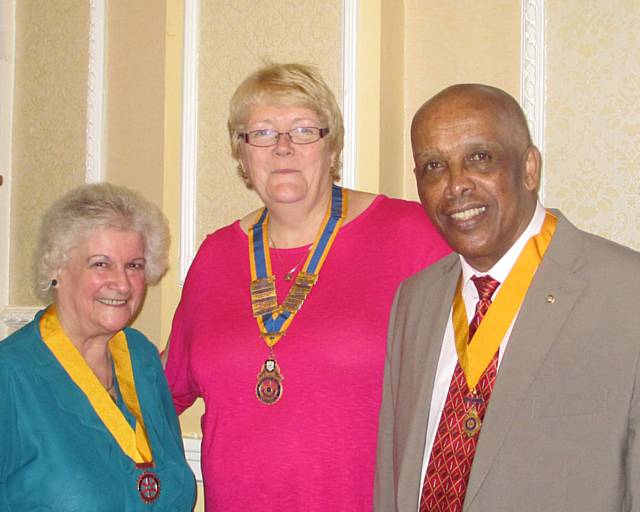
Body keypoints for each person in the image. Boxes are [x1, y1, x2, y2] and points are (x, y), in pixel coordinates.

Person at [163, 62, 450, 511]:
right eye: (261, 132)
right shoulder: (215, 255)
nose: (282, 148)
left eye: (302, 130)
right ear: (241, 154)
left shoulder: (412, 236)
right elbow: (165, 391)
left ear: (330, 145)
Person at [373, 83, 640, 511]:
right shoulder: (414, 300)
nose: (456, 185)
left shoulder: (627, 295)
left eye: (479, 158)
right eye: (433, 166)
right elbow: (392, 477)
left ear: (529, 168)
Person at [0, 183, 196, 511]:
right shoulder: (11, 376)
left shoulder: (142, 357)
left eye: (133, 265)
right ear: (55, 269)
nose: (121, 283)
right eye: (100, 264)